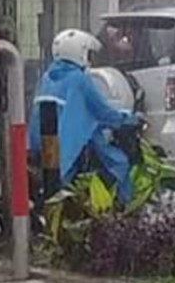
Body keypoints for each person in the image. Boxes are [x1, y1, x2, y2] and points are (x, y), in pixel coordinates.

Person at [28, 28, 135, 201]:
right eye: (88, 54)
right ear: (80, 53)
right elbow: (102, 111)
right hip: (67, 149)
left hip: (38, 145)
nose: (90, 60)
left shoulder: (47, 77)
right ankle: (116, 206)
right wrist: (127, 117)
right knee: (119, 163)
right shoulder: (80, 79)